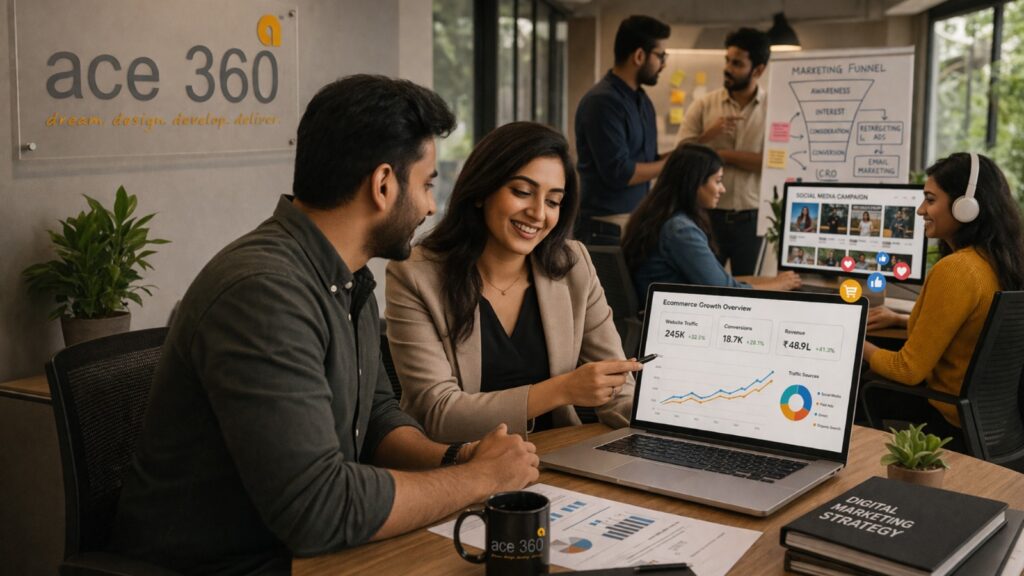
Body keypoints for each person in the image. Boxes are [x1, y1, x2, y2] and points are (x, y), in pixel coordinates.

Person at [108, 76, 540, 575]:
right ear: (382, 185)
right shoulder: (264, 294)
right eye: (425, 184)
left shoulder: (346, 277)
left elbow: (375, 415)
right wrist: (480, 480)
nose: (427, 206)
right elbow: (318, 507)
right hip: (221, 563)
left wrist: (458, 458)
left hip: (305, 553)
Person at [386, 122, 639, 443]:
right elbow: (437, 412)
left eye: (553, 201)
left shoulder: (573, 264)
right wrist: (562, 389)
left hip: (558, 455)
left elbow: (617, 391)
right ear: (481, 191)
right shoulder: (415, 274)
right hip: (462, 465)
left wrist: (673, 424)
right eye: (522, 192)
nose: (538, 213)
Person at [862, 153, 1024, 450]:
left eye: (931, 200)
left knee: (858, 383)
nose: (921, 209)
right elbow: (973, 328)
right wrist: (900, 320)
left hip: (948, 421)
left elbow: (907, 370)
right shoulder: (1003, 262)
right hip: (994, 427)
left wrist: (856, 342)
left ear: (966, 207)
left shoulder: (956, 271)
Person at [622, 143, 801, 297]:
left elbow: (720, 280)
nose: (722, 189)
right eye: (718, 181)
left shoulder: (662, 218)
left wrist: (771, 281)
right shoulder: (680, 230)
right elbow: (724, 290)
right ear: (695, 183)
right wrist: (779, 286)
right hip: (679, 318)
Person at [675, 28, 770, 276]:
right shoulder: (704, 105)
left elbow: (772, 163)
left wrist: (720, 155)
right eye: (727, 60)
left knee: (749, 292)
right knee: (701, 288)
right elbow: (681, 154)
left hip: (752, 221)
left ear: (758, 70)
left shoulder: (774, 110)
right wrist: (708, 136)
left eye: (737, 63)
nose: (728, 68)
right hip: (706, 216)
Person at [575, 15, 670, 241]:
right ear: (639, 56)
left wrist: (684, 153)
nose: (664, 64)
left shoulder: (642, 100)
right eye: (660, 56)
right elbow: (620, 173)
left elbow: (647, 161)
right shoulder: (602, 102)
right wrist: (673, 164)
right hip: (604, 227)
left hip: (634, 220)